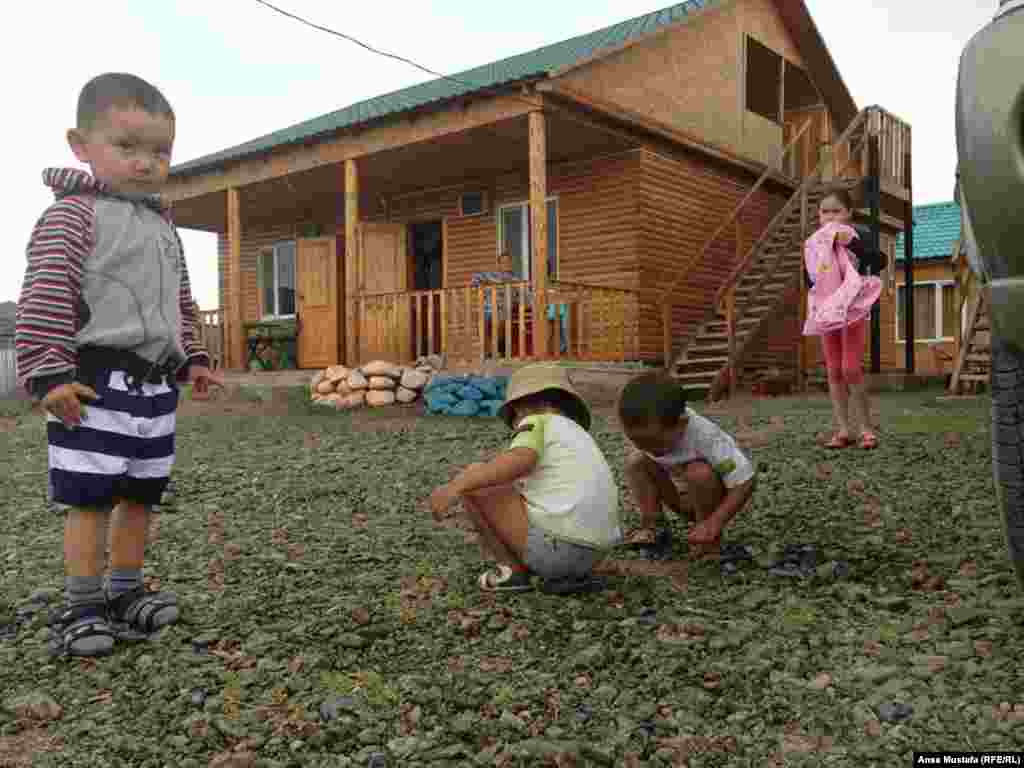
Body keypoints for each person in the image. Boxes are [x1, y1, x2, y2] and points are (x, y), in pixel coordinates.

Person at [15, 73, 223, 656]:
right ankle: (83, 605)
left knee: (141, 494)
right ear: (81, 145)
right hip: (92, 384)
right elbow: (45, 296)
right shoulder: (72, 217)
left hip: (155, 389)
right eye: (127, 146)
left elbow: (179, 301)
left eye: (160, 151)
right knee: (88, 497)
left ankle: (126, 590)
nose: (145, 163)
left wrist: (193, 357)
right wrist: (48, 375)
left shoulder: (163, 226)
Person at [428, 364, 622, 591]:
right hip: (596, 554)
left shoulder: (536, 421)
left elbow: (519, 460)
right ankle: (569, 571)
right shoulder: (578, 434)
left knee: (477, 479)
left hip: (558, 551)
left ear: (521, 407)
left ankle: (511, 571)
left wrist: (455, 486)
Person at [618, 372, 756, 558]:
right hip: (678, 497)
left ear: (682, 423)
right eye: (637, 441)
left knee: (699, 472)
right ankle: (654, 527)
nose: (647, 447)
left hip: (711, 503)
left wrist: (714, 522)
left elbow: (745, 481)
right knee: (636, 461)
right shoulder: (649, 432)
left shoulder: (707, 437)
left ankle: (707, 538)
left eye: (654, 442)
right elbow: (645, 452)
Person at [802, 187, 885, 450]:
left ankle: (866, 429)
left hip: (852, 309)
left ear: (848, 212)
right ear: (818, 215)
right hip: (828, 310)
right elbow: (809, 277)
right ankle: (844, 429)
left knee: (851, 368)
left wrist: (851, 244)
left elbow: (879, 261)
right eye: (824, 212)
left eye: (836, 211)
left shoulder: (858, 234)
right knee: (834, 370)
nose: (830, 217)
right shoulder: (814, 243)